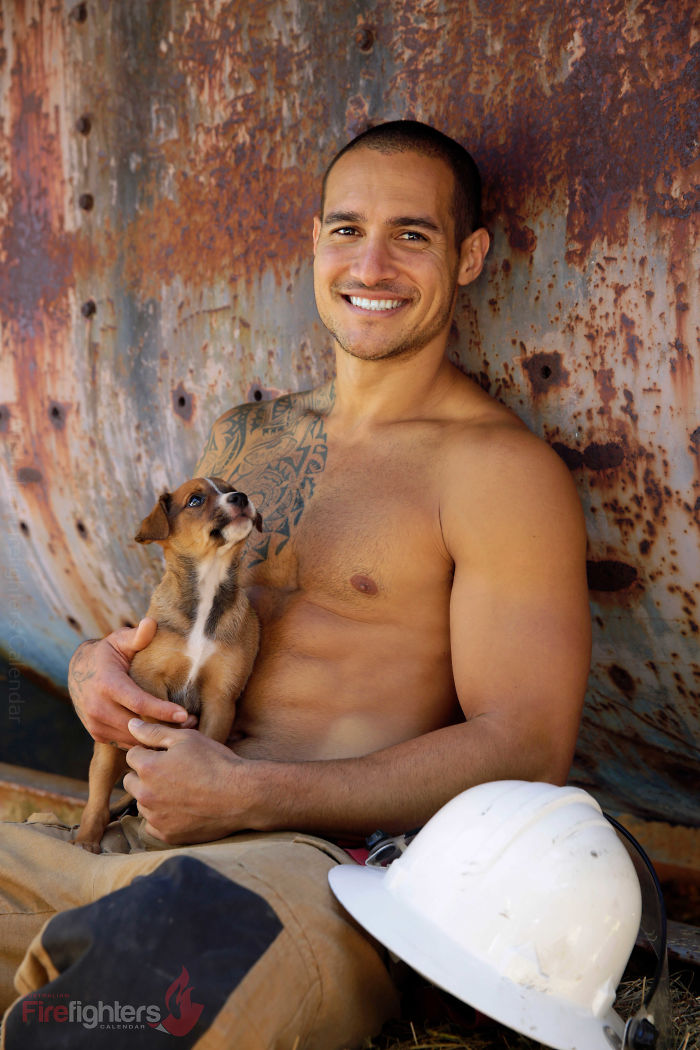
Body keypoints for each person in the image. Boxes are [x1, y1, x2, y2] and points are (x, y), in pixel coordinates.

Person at [0, 120, 591, 1049]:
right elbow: (166, 629)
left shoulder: (497, 473)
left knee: (118, 1024)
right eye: (349, 229)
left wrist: (250, 795)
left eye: (414, 234)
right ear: (317, 241)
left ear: (470, 256)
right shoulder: (246, 438)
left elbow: (527, 748)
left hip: (304, 870)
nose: (374, 264)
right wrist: (93, 672)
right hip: (129, 835)